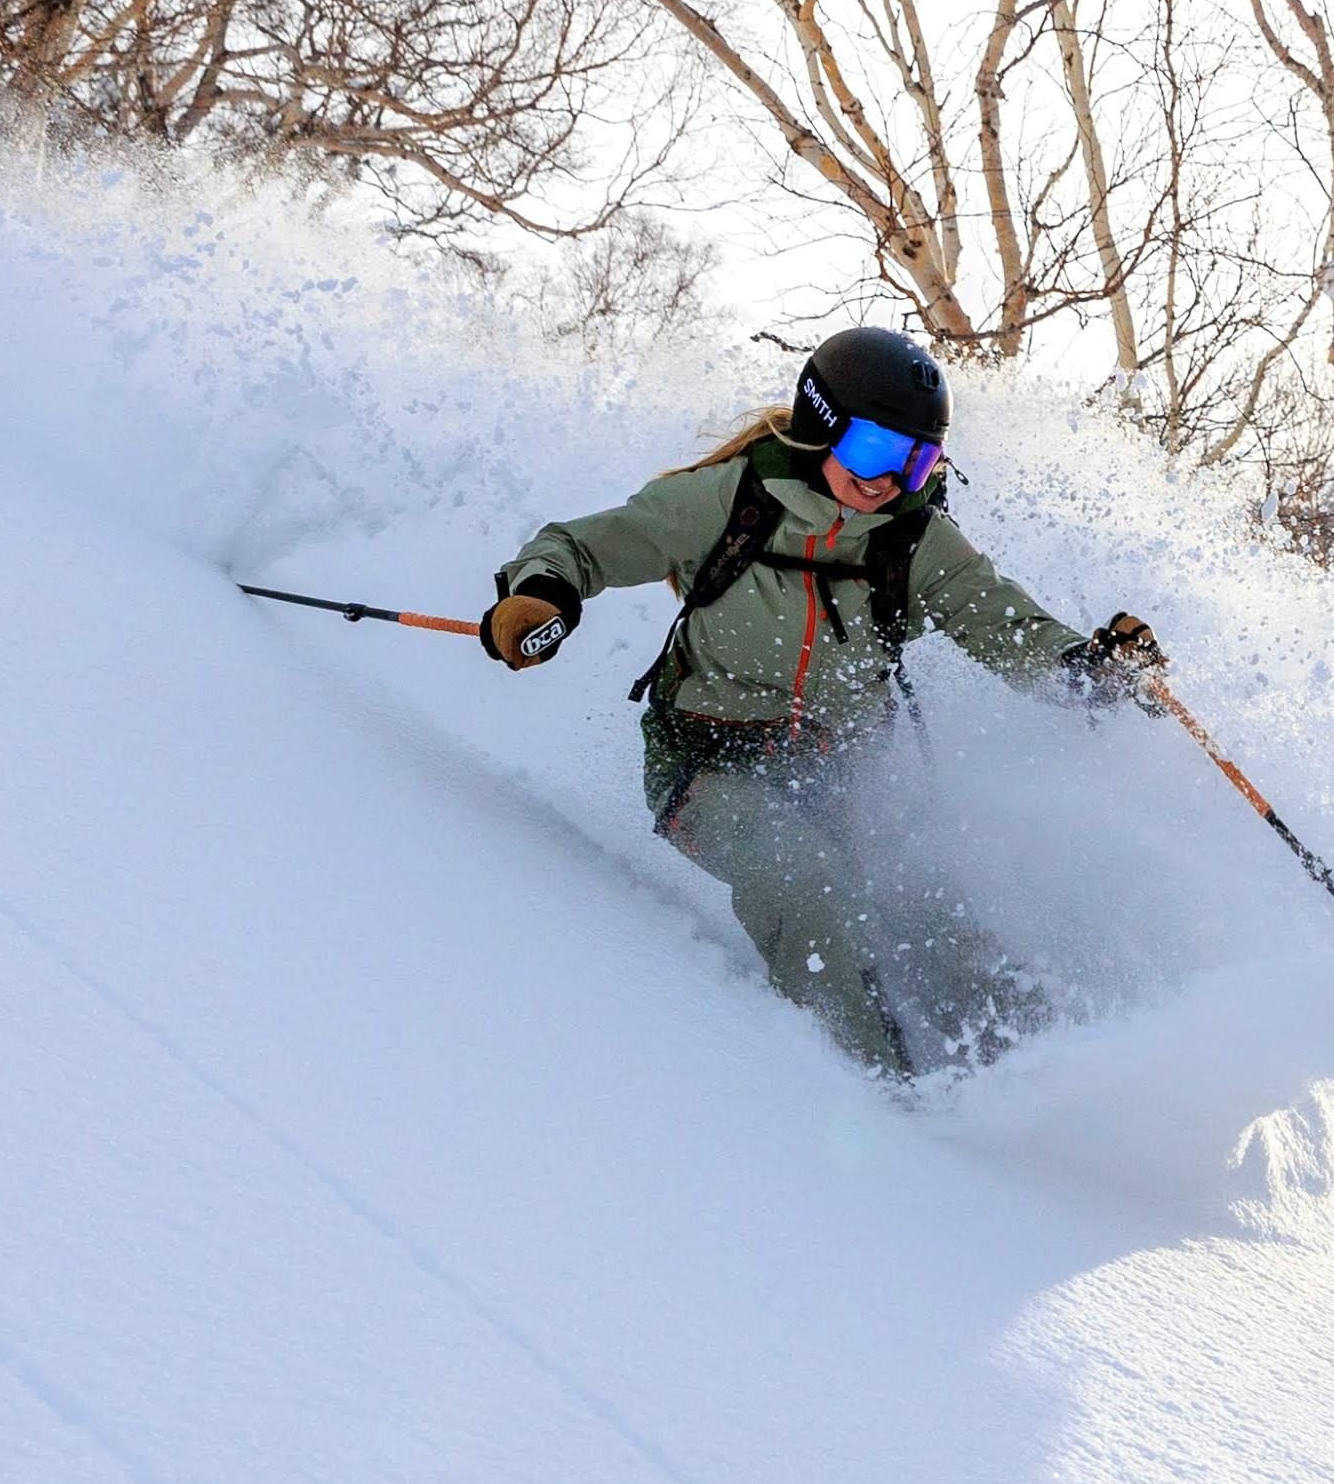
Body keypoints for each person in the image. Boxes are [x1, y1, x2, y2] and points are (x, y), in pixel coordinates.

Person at [482, 327, 1163, 1075]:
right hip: (707, 763)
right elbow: (583, 546)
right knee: (803, 880)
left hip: (841, 773)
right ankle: (875, 1095)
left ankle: (1050, 1085)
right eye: (873, 449)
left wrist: (1093, 669)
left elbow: (1002, 623)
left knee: (936, 908)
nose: (886, 479)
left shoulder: (915, 541)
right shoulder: (728, 501)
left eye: (916, 459)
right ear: (822, 425)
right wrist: (539, 595)